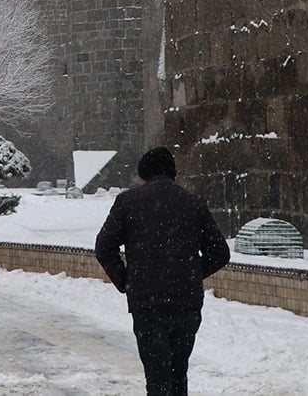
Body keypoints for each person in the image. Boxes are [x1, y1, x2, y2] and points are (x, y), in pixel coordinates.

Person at [94, 146, 231, 396]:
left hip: (147, 303)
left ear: (143, 175)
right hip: (185, 303)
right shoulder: (193, 203)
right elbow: (220, 252)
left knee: (157, 377)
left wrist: (126, 280)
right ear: (173, 174)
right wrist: (189, 273)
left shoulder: (128, 202)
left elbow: (104, 247)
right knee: (178, 373)